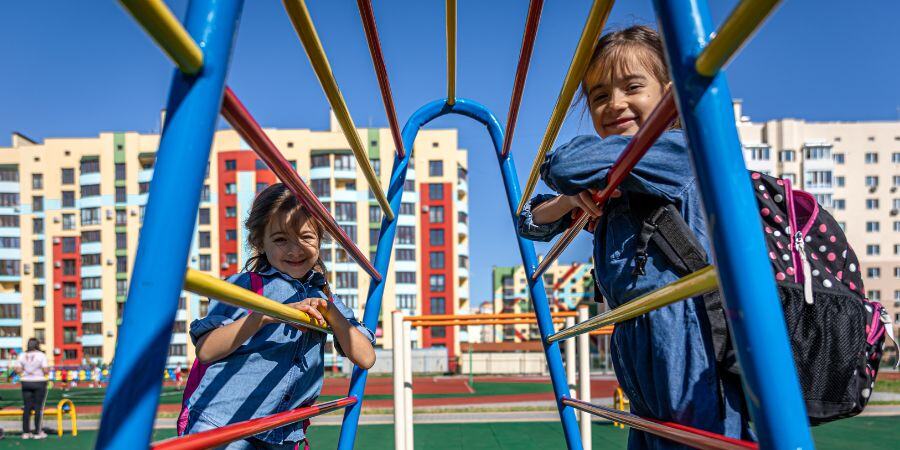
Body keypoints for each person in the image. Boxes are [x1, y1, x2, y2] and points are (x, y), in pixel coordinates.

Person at [518, 26, 751, 448]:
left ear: (667, 94)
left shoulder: (676, 151)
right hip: (639, 337)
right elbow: (530, 221)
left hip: (689, 331)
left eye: (632, 87)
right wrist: (572, 200)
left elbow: (565, 164)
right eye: (600, 96)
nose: (615, 104)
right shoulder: (617, 178)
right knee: (653, 435)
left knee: (697, 438)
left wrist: (576, 183)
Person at [183, 183, 376, 449]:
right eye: (281, 239)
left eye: (306, 237)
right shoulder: (245, 286)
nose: (295, 249)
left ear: (319, 241)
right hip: (225, 423)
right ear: (259, 242)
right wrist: (264, 314)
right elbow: (206, 350)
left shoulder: (325, 298)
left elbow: (365, 357)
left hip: (282, 433)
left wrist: (329, 311)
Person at [15, 338, 49, 440]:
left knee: (27, 407)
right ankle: (38, 432)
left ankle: (26, 432)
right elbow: (45, 370)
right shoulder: (41, 355)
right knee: (38, 407)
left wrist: (26, 370)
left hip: (26, 382)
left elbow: (17, 370)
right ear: (37, 345)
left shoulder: (21, 355)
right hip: (39, 382)